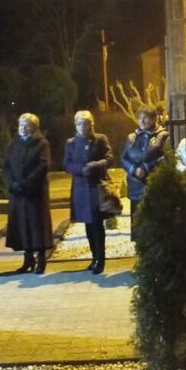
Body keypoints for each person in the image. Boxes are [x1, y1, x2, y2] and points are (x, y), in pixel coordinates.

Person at [63, 110, 114, 275]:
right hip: (80, 188)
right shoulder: (71, 143)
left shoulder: (100, 139)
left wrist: (95, 165)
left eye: (85, 123)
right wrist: (81, 169)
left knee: (97, 224)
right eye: (79, 123)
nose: (82, 126)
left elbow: (109, 158)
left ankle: (101, 259)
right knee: (87, 224)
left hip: (96, 187)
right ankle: (94, 257)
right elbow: (67, 164)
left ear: (91, 124)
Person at [3, 113, 53, 274]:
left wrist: (26, 183)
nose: (23, 128)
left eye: (27, 125)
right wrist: (11, 184)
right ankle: (28, 258)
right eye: (21, 125)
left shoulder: (41, 143)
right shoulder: (13, 144)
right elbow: (6, 166)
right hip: (18, 194)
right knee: (22, 226)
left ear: (34, 127)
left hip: (34, 193)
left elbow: (43, 165)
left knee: (37, 226)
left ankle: (41, 259)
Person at [120, 104, 169, 219]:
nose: (141, 121)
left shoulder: (163, 136)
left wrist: (147, 168)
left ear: (153, 119)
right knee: (137, 222)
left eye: (145, 118)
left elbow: (167, 157)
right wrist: (133, 170)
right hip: (135, 187)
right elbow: (123, 158)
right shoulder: (132, 137)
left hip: (154, 186)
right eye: (139, 118)